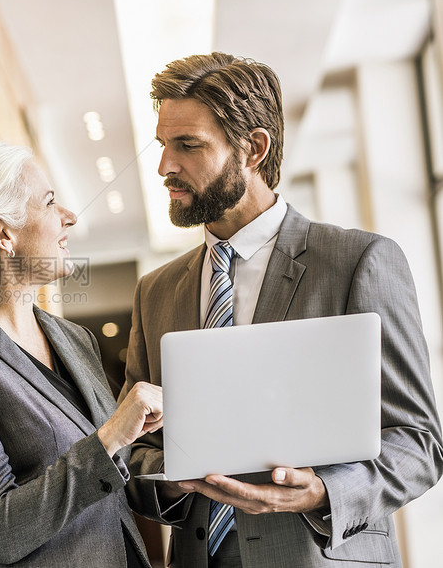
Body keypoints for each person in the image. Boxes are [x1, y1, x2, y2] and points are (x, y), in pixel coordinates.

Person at [120, 51, 443, 568]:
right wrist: (169, 477)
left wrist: (321, 491)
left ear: (254, 149)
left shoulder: (357, 262)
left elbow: (418, 444)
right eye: (162, 145)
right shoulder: (155, 291)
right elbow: (134, 450)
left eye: (188, 146)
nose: (165, 167)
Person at [0, 139, 164, 567]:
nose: (69, 217)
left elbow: (110, 479)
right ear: (1, 232)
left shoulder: (73, 338)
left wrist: (179, 483)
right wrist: (111, 435)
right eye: (48, 203)